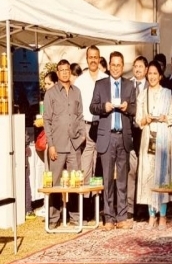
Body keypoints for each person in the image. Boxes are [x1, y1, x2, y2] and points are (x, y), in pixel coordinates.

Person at [90, 51, 137, 230]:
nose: (116, 68)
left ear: (123, 66)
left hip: (123, 136)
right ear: (109, 66)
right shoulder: (100, 84)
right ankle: (109, 218)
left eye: (119, 65)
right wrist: (104, 107)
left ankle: (122, 216)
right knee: (108, 179)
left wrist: (127, 108)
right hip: (107, 136)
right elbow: (92, 107)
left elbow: (134, 108)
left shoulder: (129, 85)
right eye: (113, 65)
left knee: (122, 179)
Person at [43, 59, 85, 228]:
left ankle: (75, 216)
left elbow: (80, 116)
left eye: (67, 70)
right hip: (57, 145)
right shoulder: (50, 94)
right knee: (55, 183)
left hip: (74, 144)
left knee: (75, 182)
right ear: (57, 73)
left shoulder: (77, 92)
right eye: (62, 70)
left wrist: (82, 136)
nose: (65, 73)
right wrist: (51, 145)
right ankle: (54, 218)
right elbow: (47, 120)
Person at [135, 61, 172, 230]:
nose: (152, 77)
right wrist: (146, 119)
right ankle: (152, 214)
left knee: (163, 176)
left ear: (160, 76)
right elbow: (138, 120)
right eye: (149, 73)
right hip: (149, 136)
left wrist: (164, 118)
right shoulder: (142, 95)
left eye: (155, 74)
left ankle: (163, 215)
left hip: (164, 137)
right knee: (149, 175)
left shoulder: (167, 93)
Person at [74, 46, 109, 216]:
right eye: (90, 57)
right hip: (86, 125)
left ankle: (99, 204)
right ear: (87, 59)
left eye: (96, 57)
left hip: (102, 125)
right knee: (86, 166)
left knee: (100, 165)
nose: (93, 60)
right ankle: (86, 206)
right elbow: (76, 108)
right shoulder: (80, 81)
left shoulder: (106, 79)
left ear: (99, 58)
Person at [127, 56, 148, 220]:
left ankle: (144, 207)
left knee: (145, 170)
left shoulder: (151, 85)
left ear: (146, 69)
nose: (138, 69)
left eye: (141, 66)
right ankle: (130, 208)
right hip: (130, 131)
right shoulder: (127, 85)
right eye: (135, 66)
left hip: (146, 132)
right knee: (131, 170)